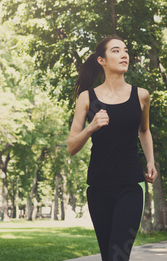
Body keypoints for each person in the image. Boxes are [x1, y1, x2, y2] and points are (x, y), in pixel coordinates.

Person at [68, 35, 158, 261]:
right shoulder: (87, 98)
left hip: (131, 185)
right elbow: (71, 146)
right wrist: (91, 127)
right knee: (109, 257)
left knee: (119, 256)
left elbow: (144, 130)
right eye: (116, 51)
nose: (124, 54)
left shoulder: (141, 95)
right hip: (98, 186)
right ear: (102, 60)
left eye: (125, 50)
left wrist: (150, 161)